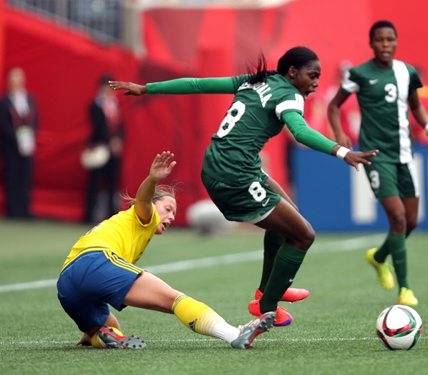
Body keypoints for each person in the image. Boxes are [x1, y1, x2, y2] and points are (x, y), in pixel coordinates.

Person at [109, 46, 378, 327]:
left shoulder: (255, 81)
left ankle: (269, 288)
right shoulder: (289, 95)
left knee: (290, 215)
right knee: (304, 235)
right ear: (292, 72)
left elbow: (197, 84)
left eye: (319, 77)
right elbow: (300, 132)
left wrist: (146, 88)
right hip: (234, 174)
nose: (316, 82)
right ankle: (267, 306)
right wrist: (342, 152)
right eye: (312, 75)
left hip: (223, 163)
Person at [57, 151, 275, 350]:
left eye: (173, 212)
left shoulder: (125, 225)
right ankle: (234, 333)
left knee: (107, 327)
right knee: (175, 300)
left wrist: (91, 333)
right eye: (167, 209)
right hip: (96, 261)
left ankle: (99, 336)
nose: (170, 216)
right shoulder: (143, 214)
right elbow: (143, 198)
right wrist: (152, 179)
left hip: (66, 284)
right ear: (154, 204)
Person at [327, 20, 428, 306]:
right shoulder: (359, 74)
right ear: (371, 43)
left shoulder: (407, 72)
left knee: (411, 222)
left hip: (405, 153)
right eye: (380, 40)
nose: (385, 45)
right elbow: (333, 105)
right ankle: (405, 290)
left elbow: (415, 105)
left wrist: (427, 127)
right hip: (376, 156)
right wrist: (340, 133)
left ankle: (379, 257)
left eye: (390, 40)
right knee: (398, 217)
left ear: (396, 42)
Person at [83, 75, 124, 224]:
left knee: (113, 182)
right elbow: (99, 127)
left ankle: (111, 216)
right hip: (100, 148)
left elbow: (119, 126)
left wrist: (118, 140)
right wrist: (110, 141)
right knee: (95, 182)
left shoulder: (115, 105)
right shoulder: (95, 105)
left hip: (114, 150)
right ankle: (88, 215)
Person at [0, 67, 39, 218]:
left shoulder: (29, 98)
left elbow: (35, 120)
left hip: (27, 145)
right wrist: (16, 139)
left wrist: (30, 137)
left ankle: (25, 210)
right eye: (13, 78)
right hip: (11, 146)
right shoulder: (5, 101)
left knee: (26, 177)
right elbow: (4, 124)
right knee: (12, 177)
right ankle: (12, 210)